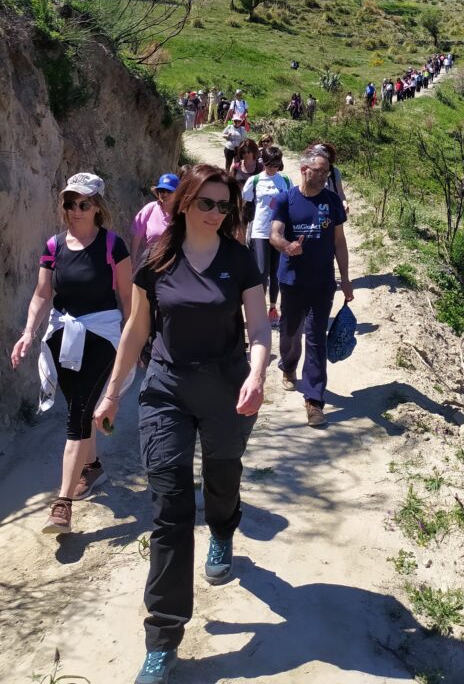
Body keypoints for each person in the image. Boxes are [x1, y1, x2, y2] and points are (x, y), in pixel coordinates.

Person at [94, 165, 271, 684]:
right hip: (166, 390)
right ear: (185, 203)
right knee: (169, 512)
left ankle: (221, 529)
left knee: (221, 478)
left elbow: (258, 325)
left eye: (225, 206)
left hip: (227, 390)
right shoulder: (158, 258)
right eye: (207, 204)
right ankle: (163, 640)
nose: (217, 214)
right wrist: (112, 393)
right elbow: (136, 328)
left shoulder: (239, 260)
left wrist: (258, 372)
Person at [11, 172, 132, 534]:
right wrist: (28, 333)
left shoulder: (113, 246)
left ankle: (61, 504)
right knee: (81, 409)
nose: (74, 210)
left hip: (102, 335)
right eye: (69, 203)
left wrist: (135, 341)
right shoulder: (53, 246)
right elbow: (41, 294)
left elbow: (128, 298)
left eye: (83, 204)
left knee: (78, 413)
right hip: (62, 334)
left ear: (98, 208)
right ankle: (92, 469)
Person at [270, 145, 353, 429]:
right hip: (292, 280)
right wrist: (286, 246)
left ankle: (314, 400)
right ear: (304, 169)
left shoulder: (331, 202)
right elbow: (274, 234)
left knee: (316, 336)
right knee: (290, 331)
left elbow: (339, 243)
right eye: (319, 171)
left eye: (327, 171)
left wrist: (346, 278)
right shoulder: (285, 200)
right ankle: (289, 366)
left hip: (322, 283)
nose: (324, 176)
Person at [243, 146, 292, 328]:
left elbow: (292, 204)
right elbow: (245, 204)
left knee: (276, 272)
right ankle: (257, 311)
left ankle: (273, 309)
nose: (273, 168)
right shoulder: (254, 181)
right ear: (263, 162)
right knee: (261, 272)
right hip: (260, 231)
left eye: (277, 164)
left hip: (278, 232)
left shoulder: (285, 181)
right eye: (270, 164)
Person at [130, 173, 180, 267]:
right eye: (161, 190)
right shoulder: (151, 208)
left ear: (178, 193)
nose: (164, 194)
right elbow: (137, 234)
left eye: (169, 191)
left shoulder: (182, 215)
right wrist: (132, 260)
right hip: (150, 263)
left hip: (175, 266)